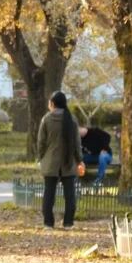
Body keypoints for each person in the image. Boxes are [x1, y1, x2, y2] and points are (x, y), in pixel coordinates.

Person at [37, 91, 83, 228]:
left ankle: (48, 223)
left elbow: (41, 142)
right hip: (68, 161)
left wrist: (40, 158)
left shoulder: (46, 119)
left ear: (52, 103)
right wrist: (79, 160)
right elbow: (77, 143)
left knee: (49, 194)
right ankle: (68, 222)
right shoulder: (71, 119)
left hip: (50, 161)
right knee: (70, 195)